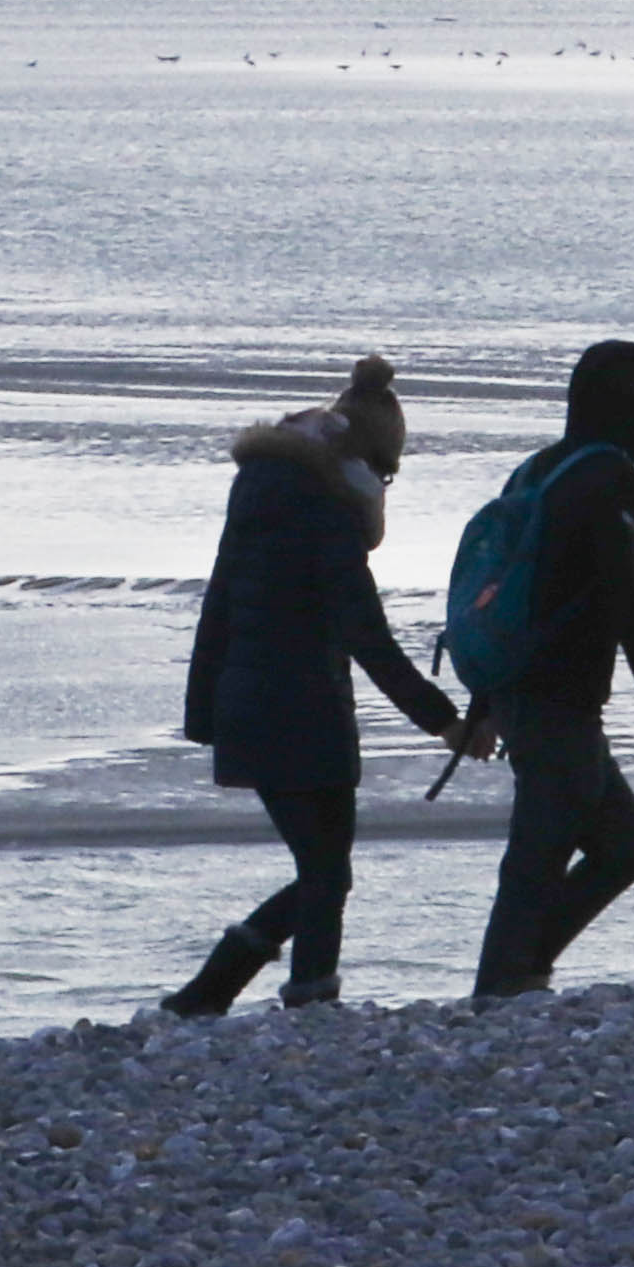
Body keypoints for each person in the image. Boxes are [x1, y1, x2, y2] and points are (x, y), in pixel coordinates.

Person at [166, 356, 472, 1016]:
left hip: (260, 706)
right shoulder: (326, 515)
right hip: (302, 713)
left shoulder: (261, 492)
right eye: (388, 470)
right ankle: (221, 991)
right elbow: (367, 633)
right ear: (365, 460)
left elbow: (218, 603)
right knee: (327, 870)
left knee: (326, 870)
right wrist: (444, 718)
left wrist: (206, 710)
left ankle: (292, 993)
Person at [469, 337, 634, 1000]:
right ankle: (501, 989)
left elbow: (492, 591)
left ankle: (522, 971)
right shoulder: (611, 481)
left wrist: (482, 701)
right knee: (538, 852)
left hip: (520, 687)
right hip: (559, 695)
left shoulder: (537, 469)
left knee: (626, 845)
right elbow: (628, 603)